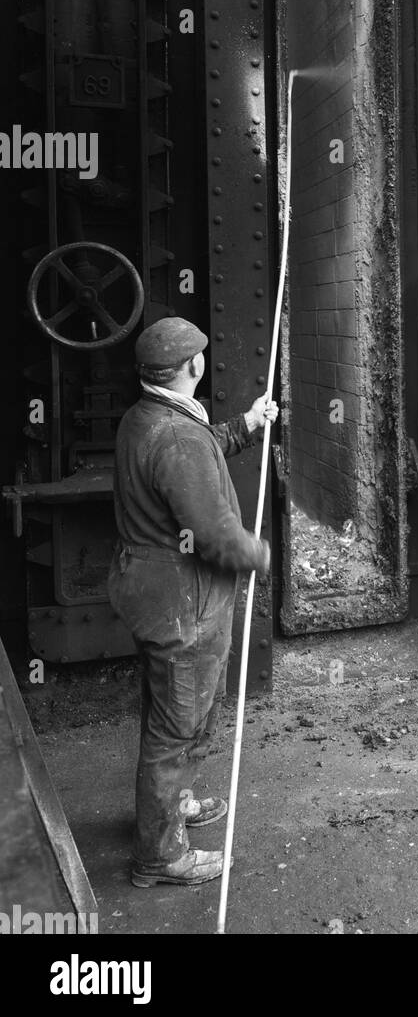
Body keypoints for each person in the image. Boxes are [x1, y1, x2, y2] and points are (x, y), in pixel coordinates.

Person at [108, 316, 278, 887]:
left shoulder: (147, 417)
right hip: (183, 600)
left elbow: (195, 456)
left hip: (152, 588)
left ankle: (172, 808)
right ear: (194, 367)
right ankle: (159, 857)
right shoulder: (176, 436)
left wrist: (247, 426)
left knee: (177, 714)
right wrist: (260, 554)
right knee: (175, 728)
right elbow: (214, 535)